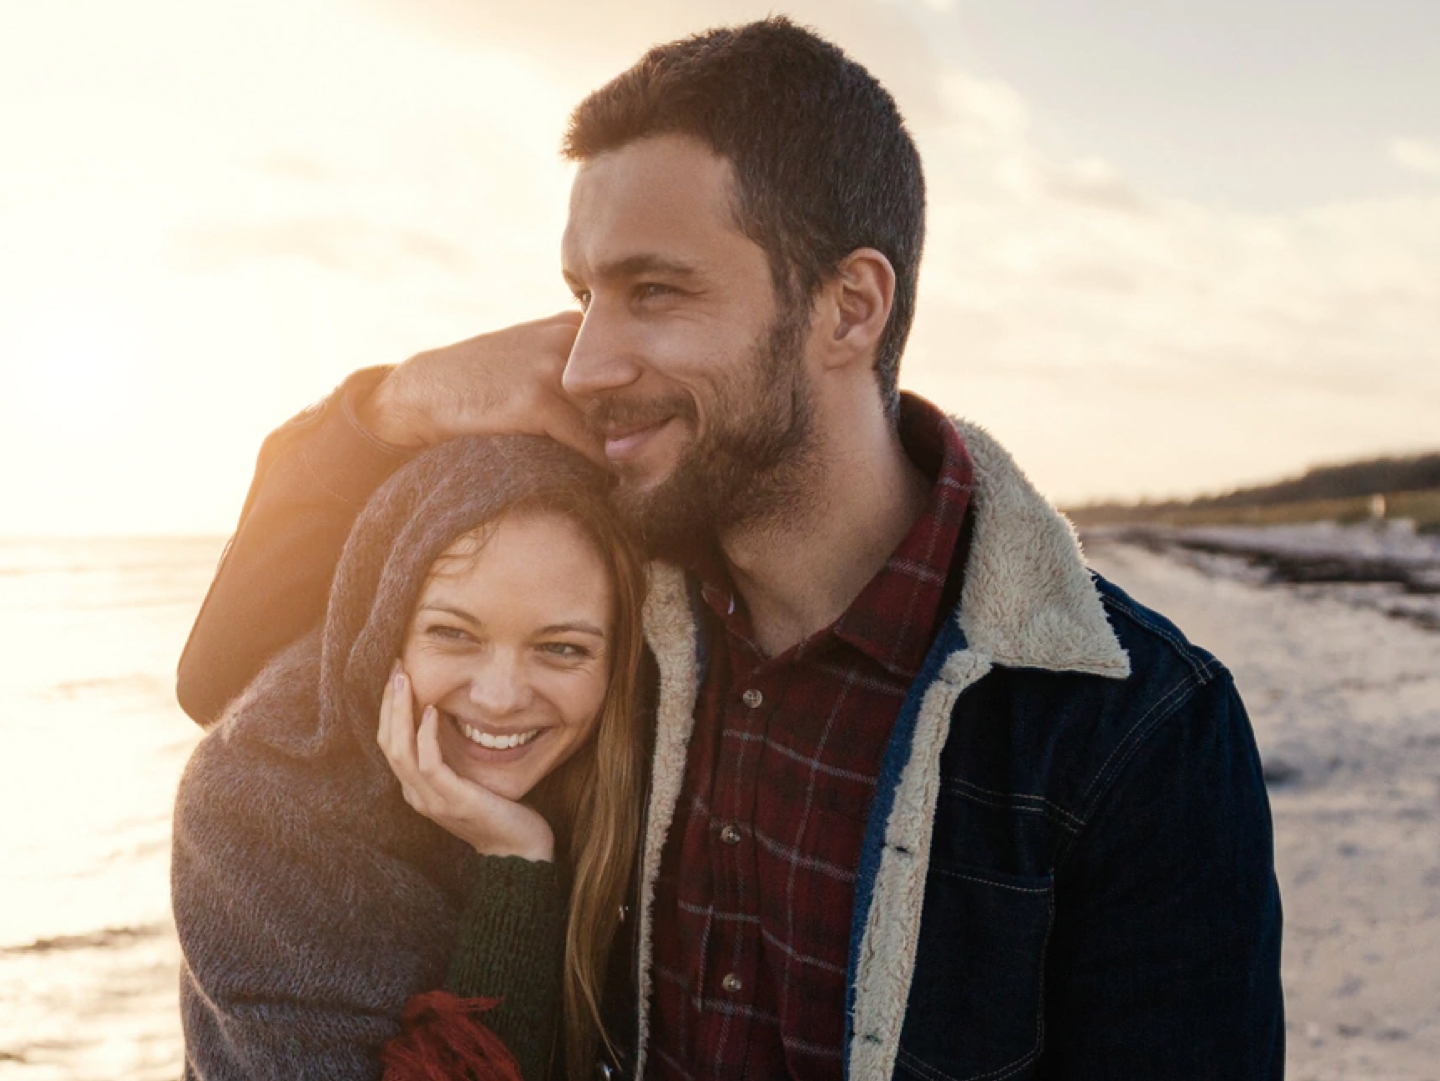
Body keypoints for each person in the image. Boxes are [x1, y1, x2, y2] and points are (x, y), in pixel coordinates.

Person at [177, 18, 1285, 1080]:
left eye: (653, 291)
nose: (582, 365)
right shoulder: (606, 613)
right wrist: (405, 396)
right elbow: (223, 673)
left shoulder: (1132, 733)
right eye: (583, 296)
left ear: (849, 308)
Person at [171, 435, 665, 1080]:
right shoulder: (255, 797)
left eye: (563, 649)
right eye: (453, 634)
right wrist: (518, 862)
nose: (500, 697)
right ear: (383, 628)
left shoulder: (644, 773)